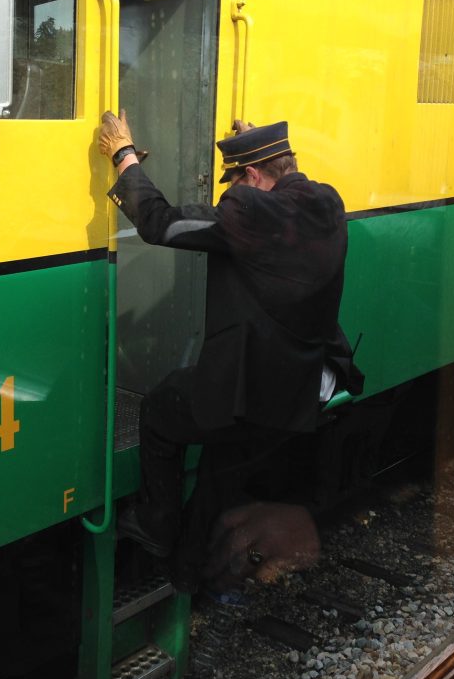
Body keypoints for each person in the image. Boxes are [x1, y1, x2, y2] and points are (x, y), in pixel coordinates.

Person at [97, 110, 363, 591]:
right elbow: (274, 185)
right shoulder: (326, 201)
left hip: (257, 392)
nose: (230, 193)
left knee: (160, 408)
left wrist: (124, 155)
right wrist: (255, 145)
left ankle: (157, 523)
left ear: (253, 177)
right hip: (308, 384)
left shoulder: (251, 215)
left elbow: (160, 223)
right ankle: (189, 572)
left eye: (236, 180)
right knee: (218, 478)